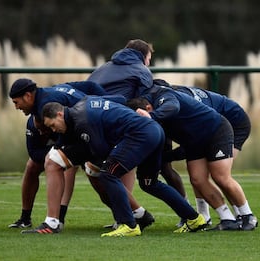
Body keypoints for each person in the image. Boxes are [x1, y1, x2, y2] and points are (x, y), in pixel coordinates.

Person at [40, 97, 206, 237]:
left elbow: (100, 150)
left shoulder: (83, 121)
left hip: (140, 134)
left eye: (53, 125)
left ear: (60, 114)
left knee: (107, 174)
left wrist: (82, 159)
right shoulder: (82, 106)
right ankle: (194, 218)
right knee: (150, 183)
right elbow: (118, 101)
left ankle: (129, 225)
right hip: (154, 130)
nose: (54, 130)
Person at [9, 78, 154, 234]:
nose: (16, 107)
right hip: (91, 135)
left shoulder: (46, 105)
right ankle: (139, 214)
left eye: (16, 102)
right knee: (93, 171)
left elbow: (84, 105)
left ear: (28, 96)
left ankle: (53, 222)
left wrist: (100, 104)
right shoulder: (49, 96)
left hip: (95, 135)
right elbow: (89, 86)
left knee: (55, 163)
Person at [127, 85, 258, 231]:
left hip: (215, 130)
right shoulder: (152, 112)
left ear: (148, 107)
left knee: (220, 176)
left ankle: (248, 215)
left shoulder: (165, 96)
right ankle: (227, 218)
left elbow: (173, 106)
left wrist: (152, 117)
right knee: (197, 179)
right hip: (194, 140)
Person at [87, 39, 188, 226]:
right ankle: (186, 214)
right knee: (162, 167)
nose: (149, 63)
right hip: (129, 124)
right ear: (143, 56)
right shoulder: (141, 69)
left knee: (97, 169)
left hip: (94, 123)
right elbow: (145, 101)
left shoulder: (101, 68)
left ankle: (56, 220)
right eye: (149, 58)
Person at [157, 79, 253, 225]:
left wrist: (167, 157)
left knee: (220, 175)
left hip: (233, 123)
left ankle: (244, 215)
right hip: (205, 131)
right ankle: (205, 215)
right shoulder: (174, 99)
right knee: (198, 177)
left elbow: (193, 140)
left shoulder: (182, 105)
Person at [8, 115, 78, 229]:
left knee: (74, 167)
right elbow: (34, 154)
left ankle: (59, 217)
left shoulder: (63, 122)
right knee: (31, 166)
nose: (41, 133)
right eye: (39, 129)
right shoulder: (32, 124)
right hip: (59, 147)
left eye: (44, 128)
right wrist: (53, 153)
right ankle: (25, 218)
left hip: (83, 145)